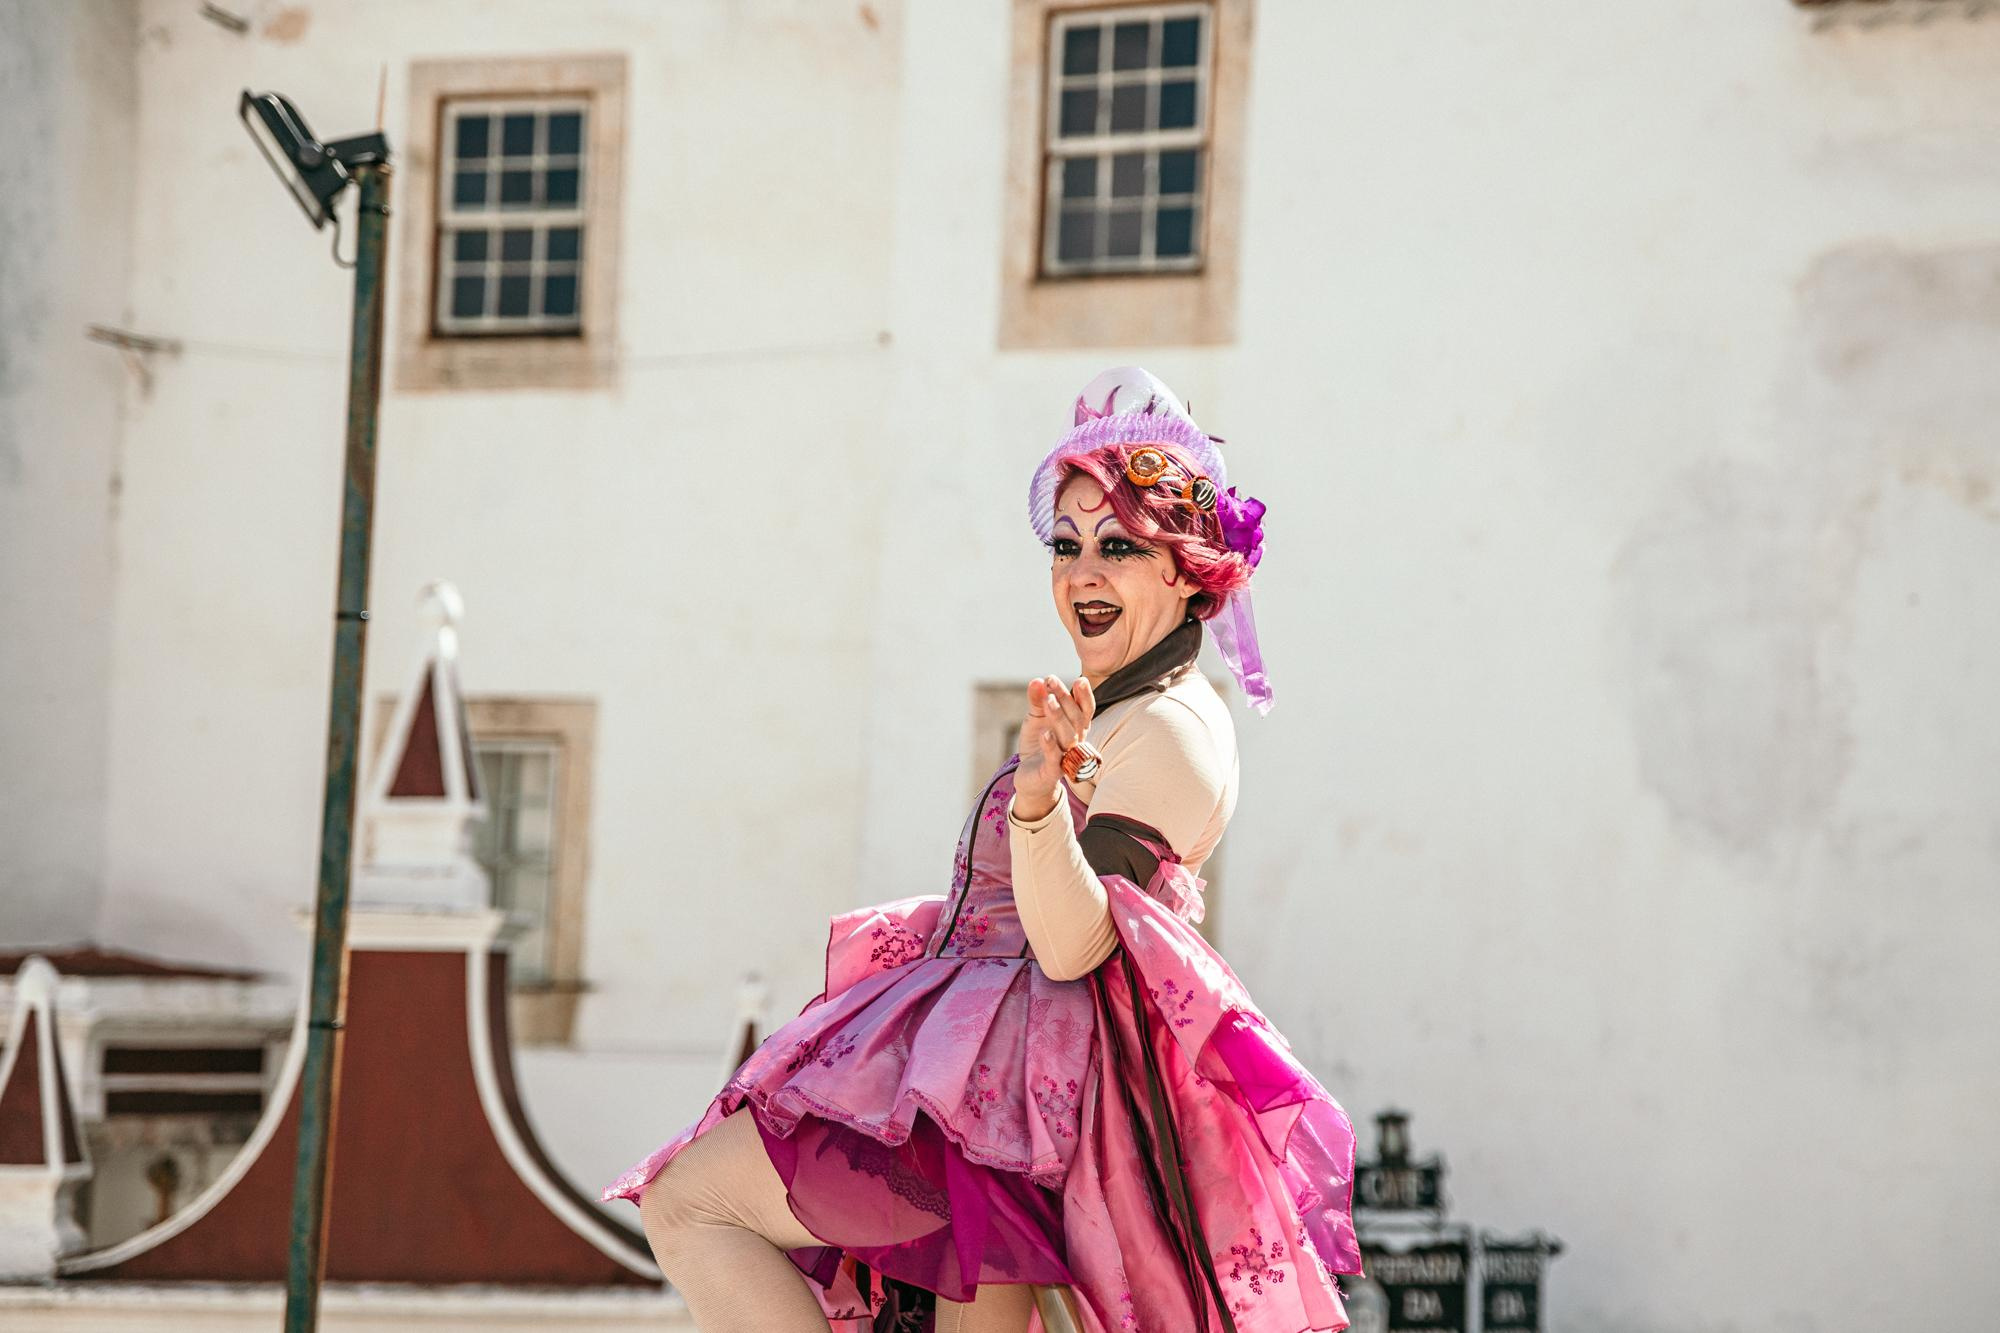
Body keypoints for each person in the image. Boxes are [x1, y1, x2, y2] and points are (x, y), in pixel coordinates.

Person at [604, 368, 1361, 1333]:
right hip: (982, 1098)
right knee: (695, 1205)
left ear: (1182, 571)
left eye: (1118, 547)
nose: (1082, 573)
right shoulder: (1122, 709)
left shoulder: (1172, 729)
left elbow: (1071, 944)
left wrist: (1040, 800)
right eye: (1066, 545)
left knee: (694, 1203)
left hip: (1007, 1110)